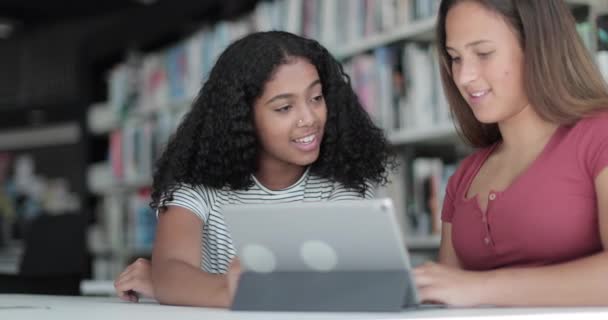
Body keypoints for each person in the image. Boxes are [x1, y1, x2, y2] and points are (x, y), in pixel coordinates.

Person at [113, 31, 394, 307]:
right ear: (243, 117)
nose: (309, 118)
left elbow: (347, 286)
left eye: (316, 98)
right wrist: (212, 288)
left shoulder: (345, 182)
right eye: (284, 108)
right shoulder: (195, 184)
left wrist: (186, 287)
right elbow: (171, 270)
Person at [413, 0, 608, 306]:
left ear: (539, 47)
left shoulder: (599, 136)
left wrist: (482, 287)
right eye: (455, 58)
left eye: (483, 53)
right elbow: (443, 299)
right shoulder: (465, 176)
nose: (464, 77)